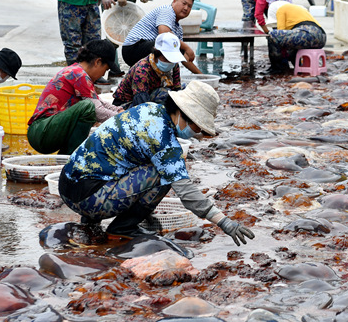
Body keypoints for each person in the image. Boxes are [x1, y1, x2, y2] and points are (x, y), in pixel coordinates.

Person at [58, 81, 255, 244]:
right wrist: (223, 221)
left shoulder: (149, 109)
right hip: (88, 199)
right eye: (197, 126)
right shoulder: (165, 142)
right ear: (180, 113)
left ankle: (92, 221)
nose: (198, 133)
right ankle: (123, 227)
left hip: (68, 186)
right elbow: (186, 192)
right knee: (165, 173)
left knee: (139, 163)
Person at [27, 40, 123, 155]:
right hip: (41, 131)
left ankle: (67, 158)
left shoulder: (77, 71)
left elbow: (99, 102)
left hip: (44, 130)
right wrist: (124, 120)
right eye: (105, 70)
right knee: (87, 107)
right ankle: (72, 158)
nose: (103, 75)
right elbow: (97, 109)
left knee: (88, 106)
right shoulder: (79, 75)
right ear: (98, 62)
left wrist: (120, 111)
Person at [121, 0, 200, 73]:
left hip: (146, 49)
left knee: (174, 51)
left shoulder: (178, 29)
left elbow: (182, 56)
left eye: (189, 6)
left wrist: (202, 76)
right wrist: (187, 48)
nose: (186, 8)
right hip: (133, 48)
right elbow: (164, 34)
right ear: (174, 1)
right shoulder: (167, 10)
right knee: (169, 44)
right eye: (184, 3)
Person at [112, 33, 184, 108]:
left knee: (185, 90)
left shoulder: (174, 65)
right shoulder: (142, 70)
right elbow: (141, 105)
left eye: (172, 59)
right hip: (129, 103)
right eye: (166, 59)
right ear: (157, 54)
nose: (170, 62)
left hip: (151, 95)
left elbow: (177, 90)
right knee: (165, 95)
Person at [265, 2, 327, 73]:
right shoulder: (298, 8)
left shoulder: (281, 9)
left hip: (308, 33)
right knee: (292, 44)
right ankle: (299, 67)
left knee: (273, 35)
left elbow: (280, 32)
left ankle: (278, 69)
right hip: (322, 37)